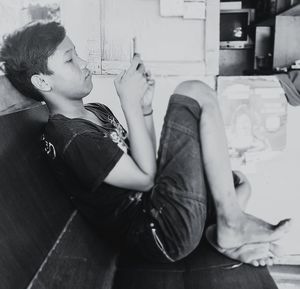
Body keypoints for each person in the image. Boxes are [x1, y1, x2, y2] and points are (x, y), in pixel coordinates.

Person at [0, 21, 291, 267]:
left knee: (238, 183)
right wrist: (129, 103)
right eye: (69, 60)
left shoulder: (97, 111)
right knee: (193, 92)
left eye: (78, 54)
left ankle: (225, 236)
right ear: (42, 82)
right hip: (158, 233)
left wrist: (145, 108)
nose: (84, 63)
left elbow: (144, 161)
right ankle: (229, 229)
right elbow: (145, 179)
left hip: (161, 210)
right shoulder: (70, 137)